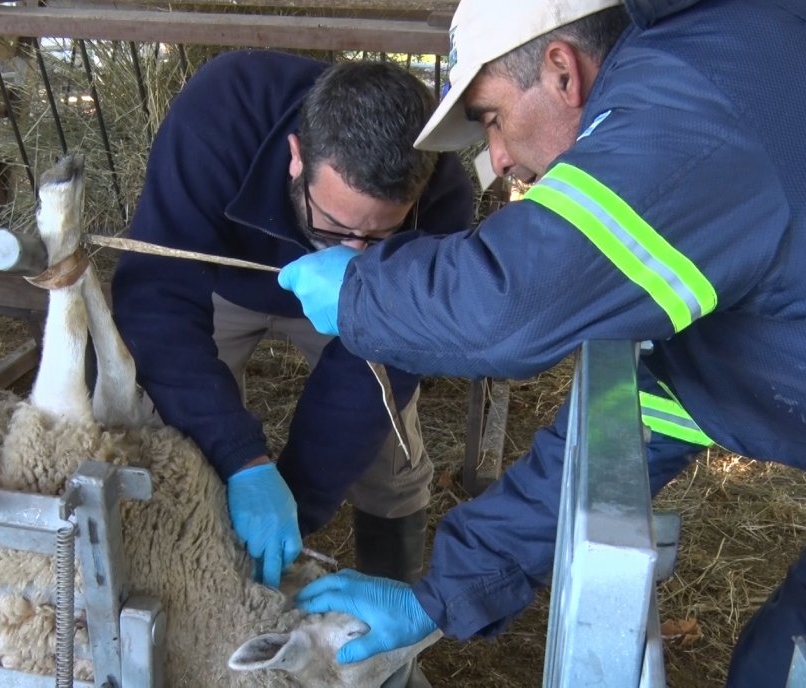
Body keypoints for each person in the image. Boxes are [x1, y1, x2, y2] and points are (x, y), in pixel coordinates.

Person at [279, 0, 806, 685]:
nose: (497, 161)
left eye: (492, 119)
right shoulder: (709, 96)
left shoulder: (695, 100)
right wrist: (439, 595)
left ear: (562, 72)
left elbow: (511, 307)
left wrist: (363, 294)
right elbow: (647, 415)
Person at [110, 51, 474, 605]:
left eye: (377, 235)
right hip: (223, 282)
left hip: (358, 303)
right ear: (297, 157)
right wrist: (243, 460)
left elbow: (385, 363)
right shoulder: (219, 113)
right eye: (336, 225)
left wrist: (298, 503)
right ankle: (186, 598)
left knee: (389, 454)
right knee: (170, 431)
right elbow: (157, 296)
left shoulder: (445, 194)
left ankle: (389, 627)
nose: (352, 248)